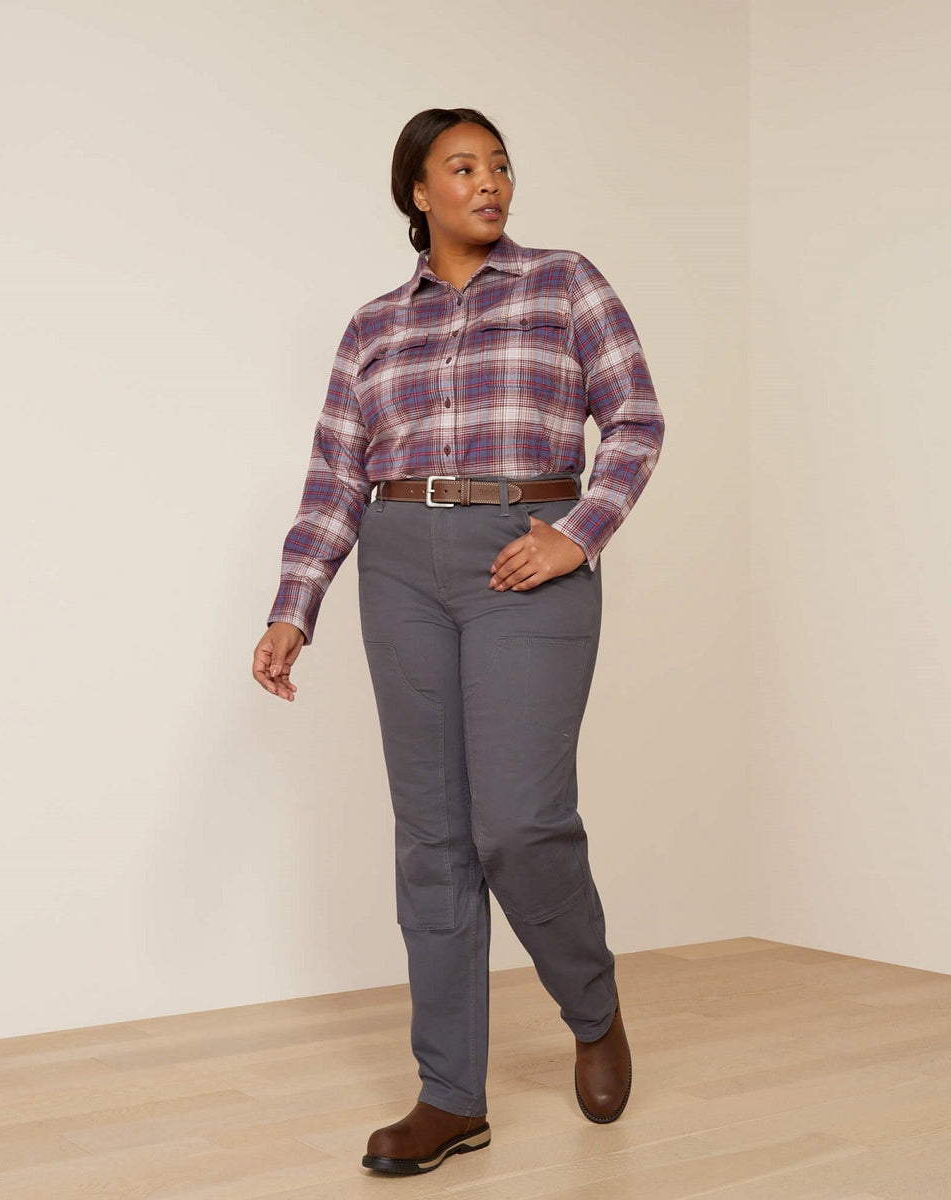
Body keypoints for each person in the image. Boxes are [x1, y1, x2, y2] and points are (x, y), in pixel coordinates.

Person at [252, 107, 665, 1176]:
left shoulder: (564, 284)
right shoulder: (372, 327)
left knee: (518, 824)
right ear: (419, 192)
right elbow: (335, 475)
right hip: (399, 562)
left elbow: (636, 419)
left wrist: (578, 533)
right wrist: (294, 606)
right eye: (464, 166)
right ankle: (449, 1097)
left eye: (501, 166)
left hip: (524, 553)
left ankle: (592, 1006)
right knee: (431, 837)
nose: (491, 182)